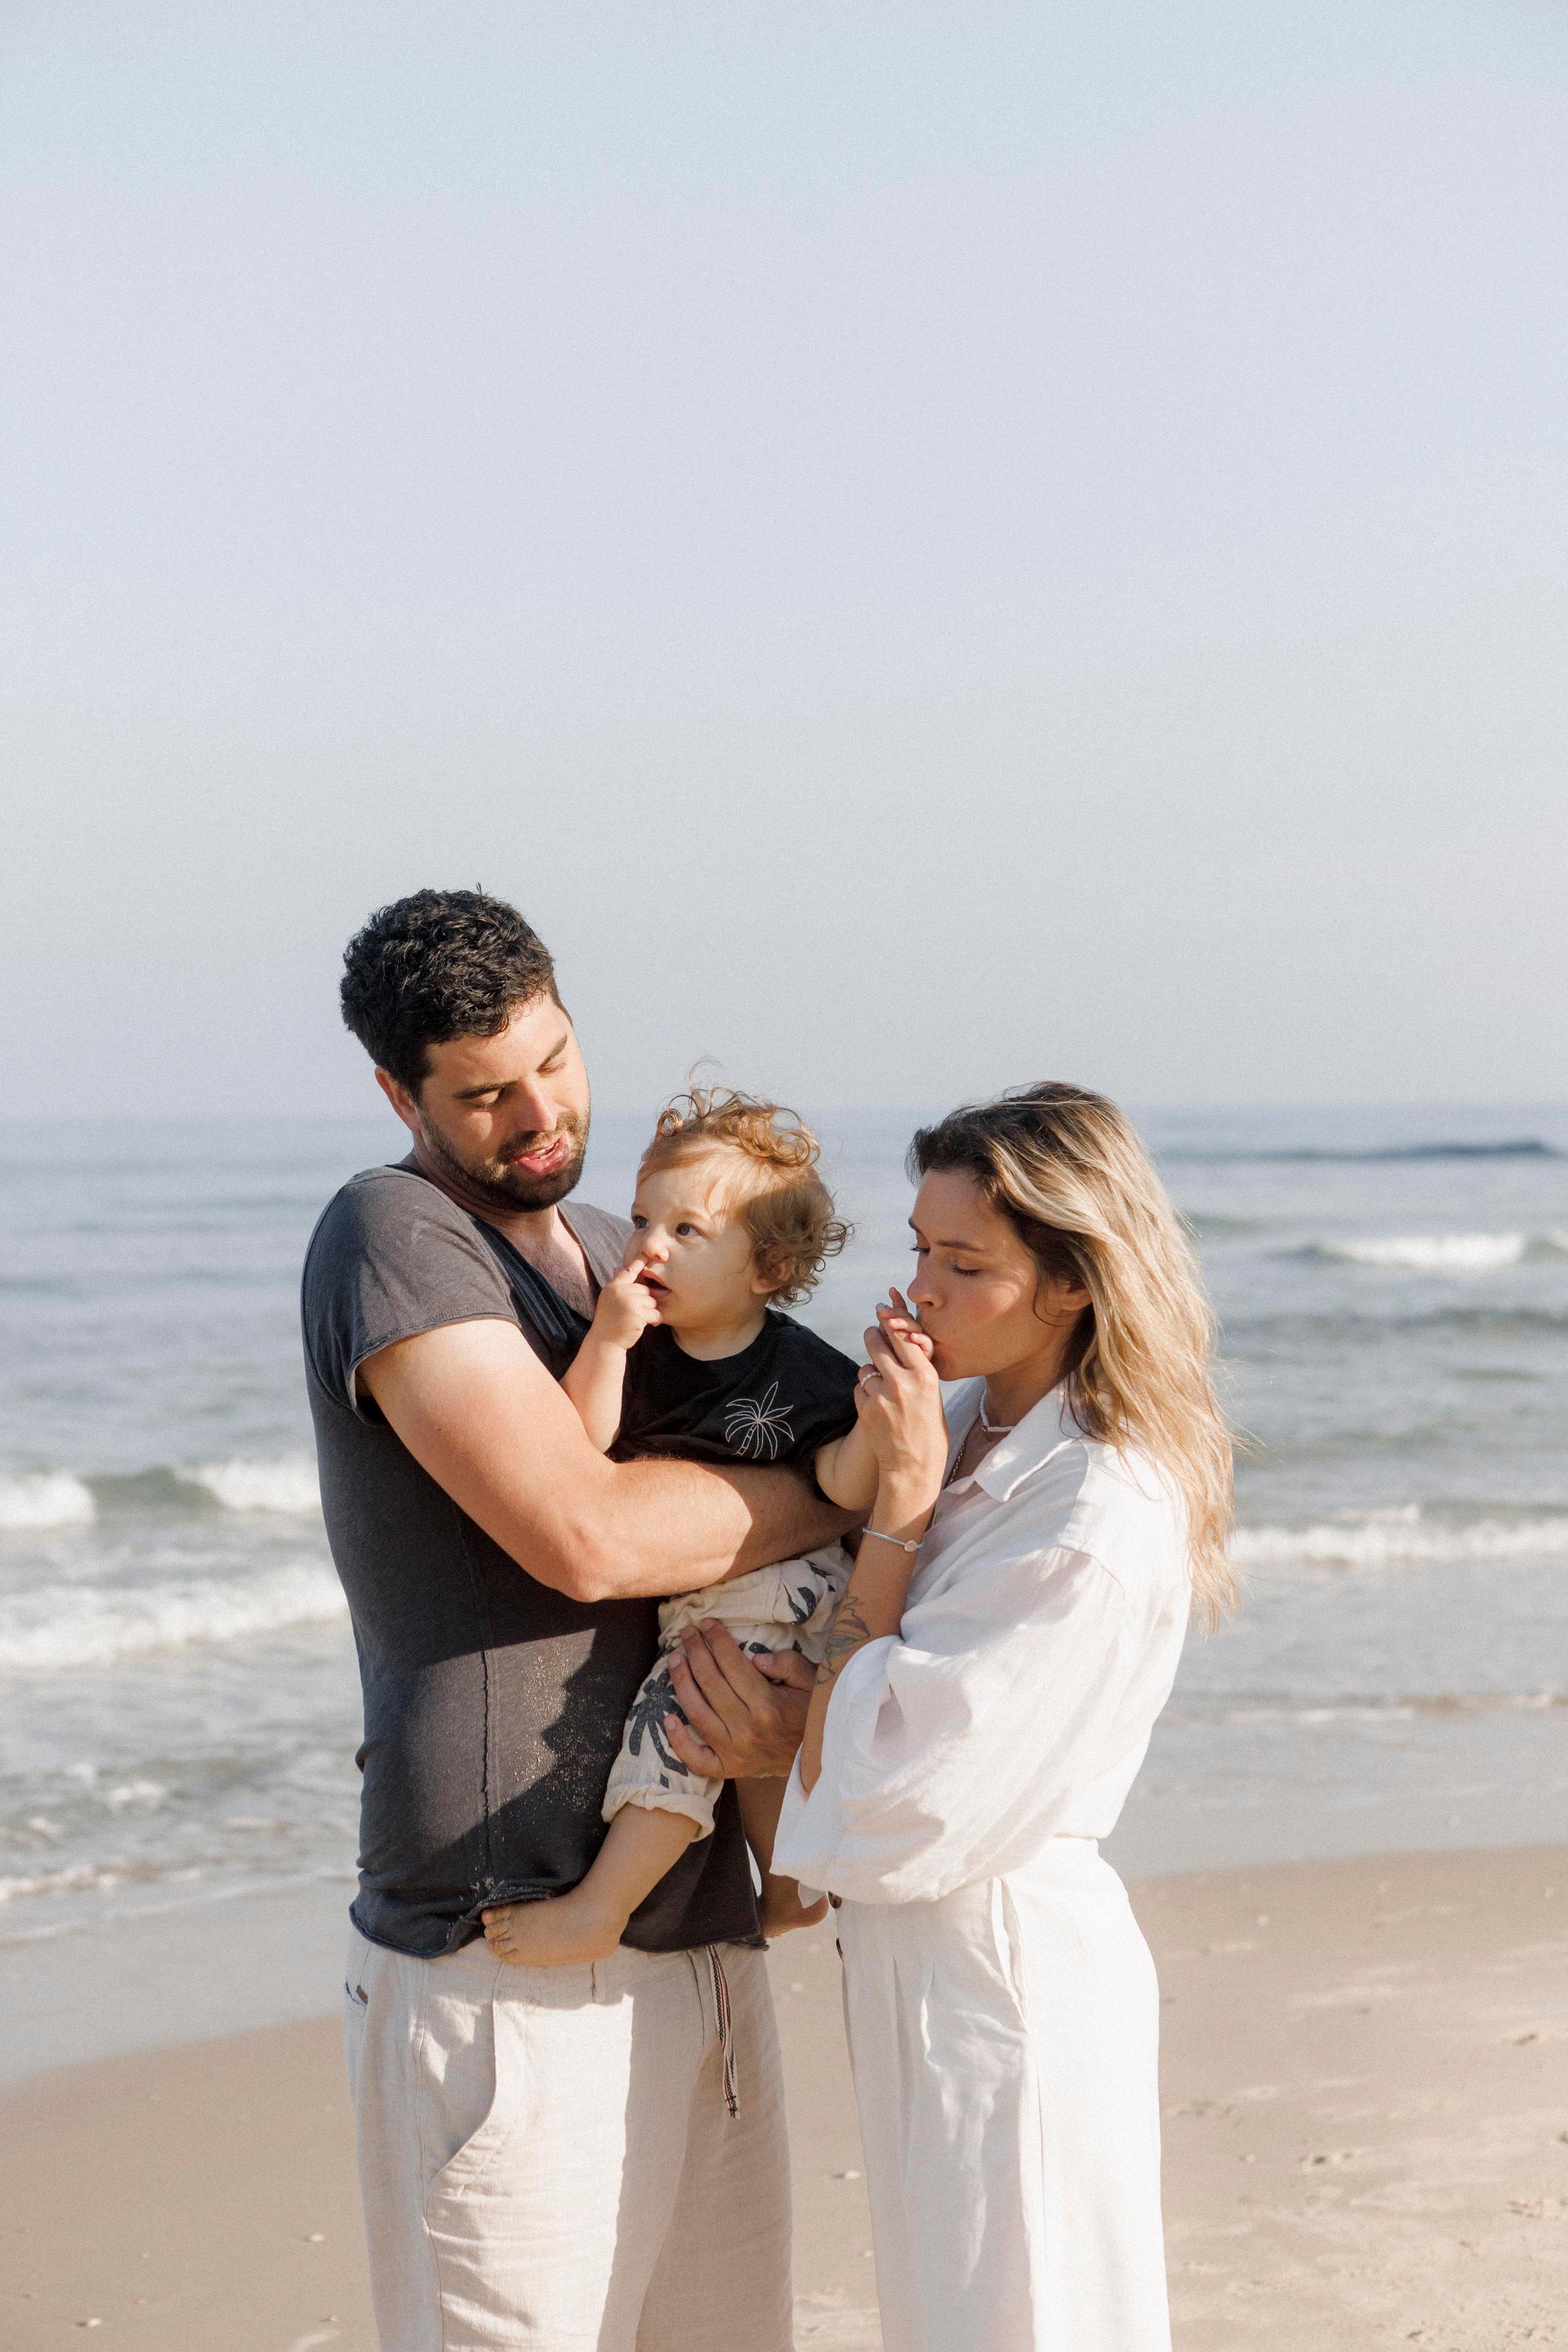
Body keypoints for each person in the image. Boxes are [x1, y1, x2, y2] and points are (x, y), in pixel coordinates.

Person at [301, 889, 848, 2352]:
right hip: (502, 1953)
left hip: (699, 1937)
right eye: (483, 1095)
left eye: (554, 1059)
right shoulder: (396, 1235)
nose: (538, 1116)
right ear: (396, 1093)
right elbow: (585, 1538)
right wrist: (839, 1489)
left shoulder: (628, 1241)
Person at [774, 1083, 1237, 2352]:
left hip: (1002, 1971)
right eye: (917, 1249)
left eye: (964, 1262)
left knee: (1022, 2322)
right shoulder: (971, 1424)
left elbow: (885, 1791)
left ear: (1070, 1282)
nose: (917, 1288)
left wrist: (899, 1517)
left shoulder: (1089, 1515)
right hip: (923, 1964)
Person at [479, 1087, 881, 1973]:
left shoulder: (804, 1365)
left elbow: (841, 1486)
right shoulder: (632, 1349)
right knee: (753, 1737)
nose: (648, 1247)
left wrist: (879, 1425)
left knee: (681, 1733)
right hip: (742, 1594)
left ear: (766, 1269)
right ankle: (788, 1886)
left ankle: (600, 1906)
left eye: (686, 1232)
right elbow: (575, 1455)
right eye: (639, 1221)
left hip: (786, 1582)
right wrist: (611, 1346)